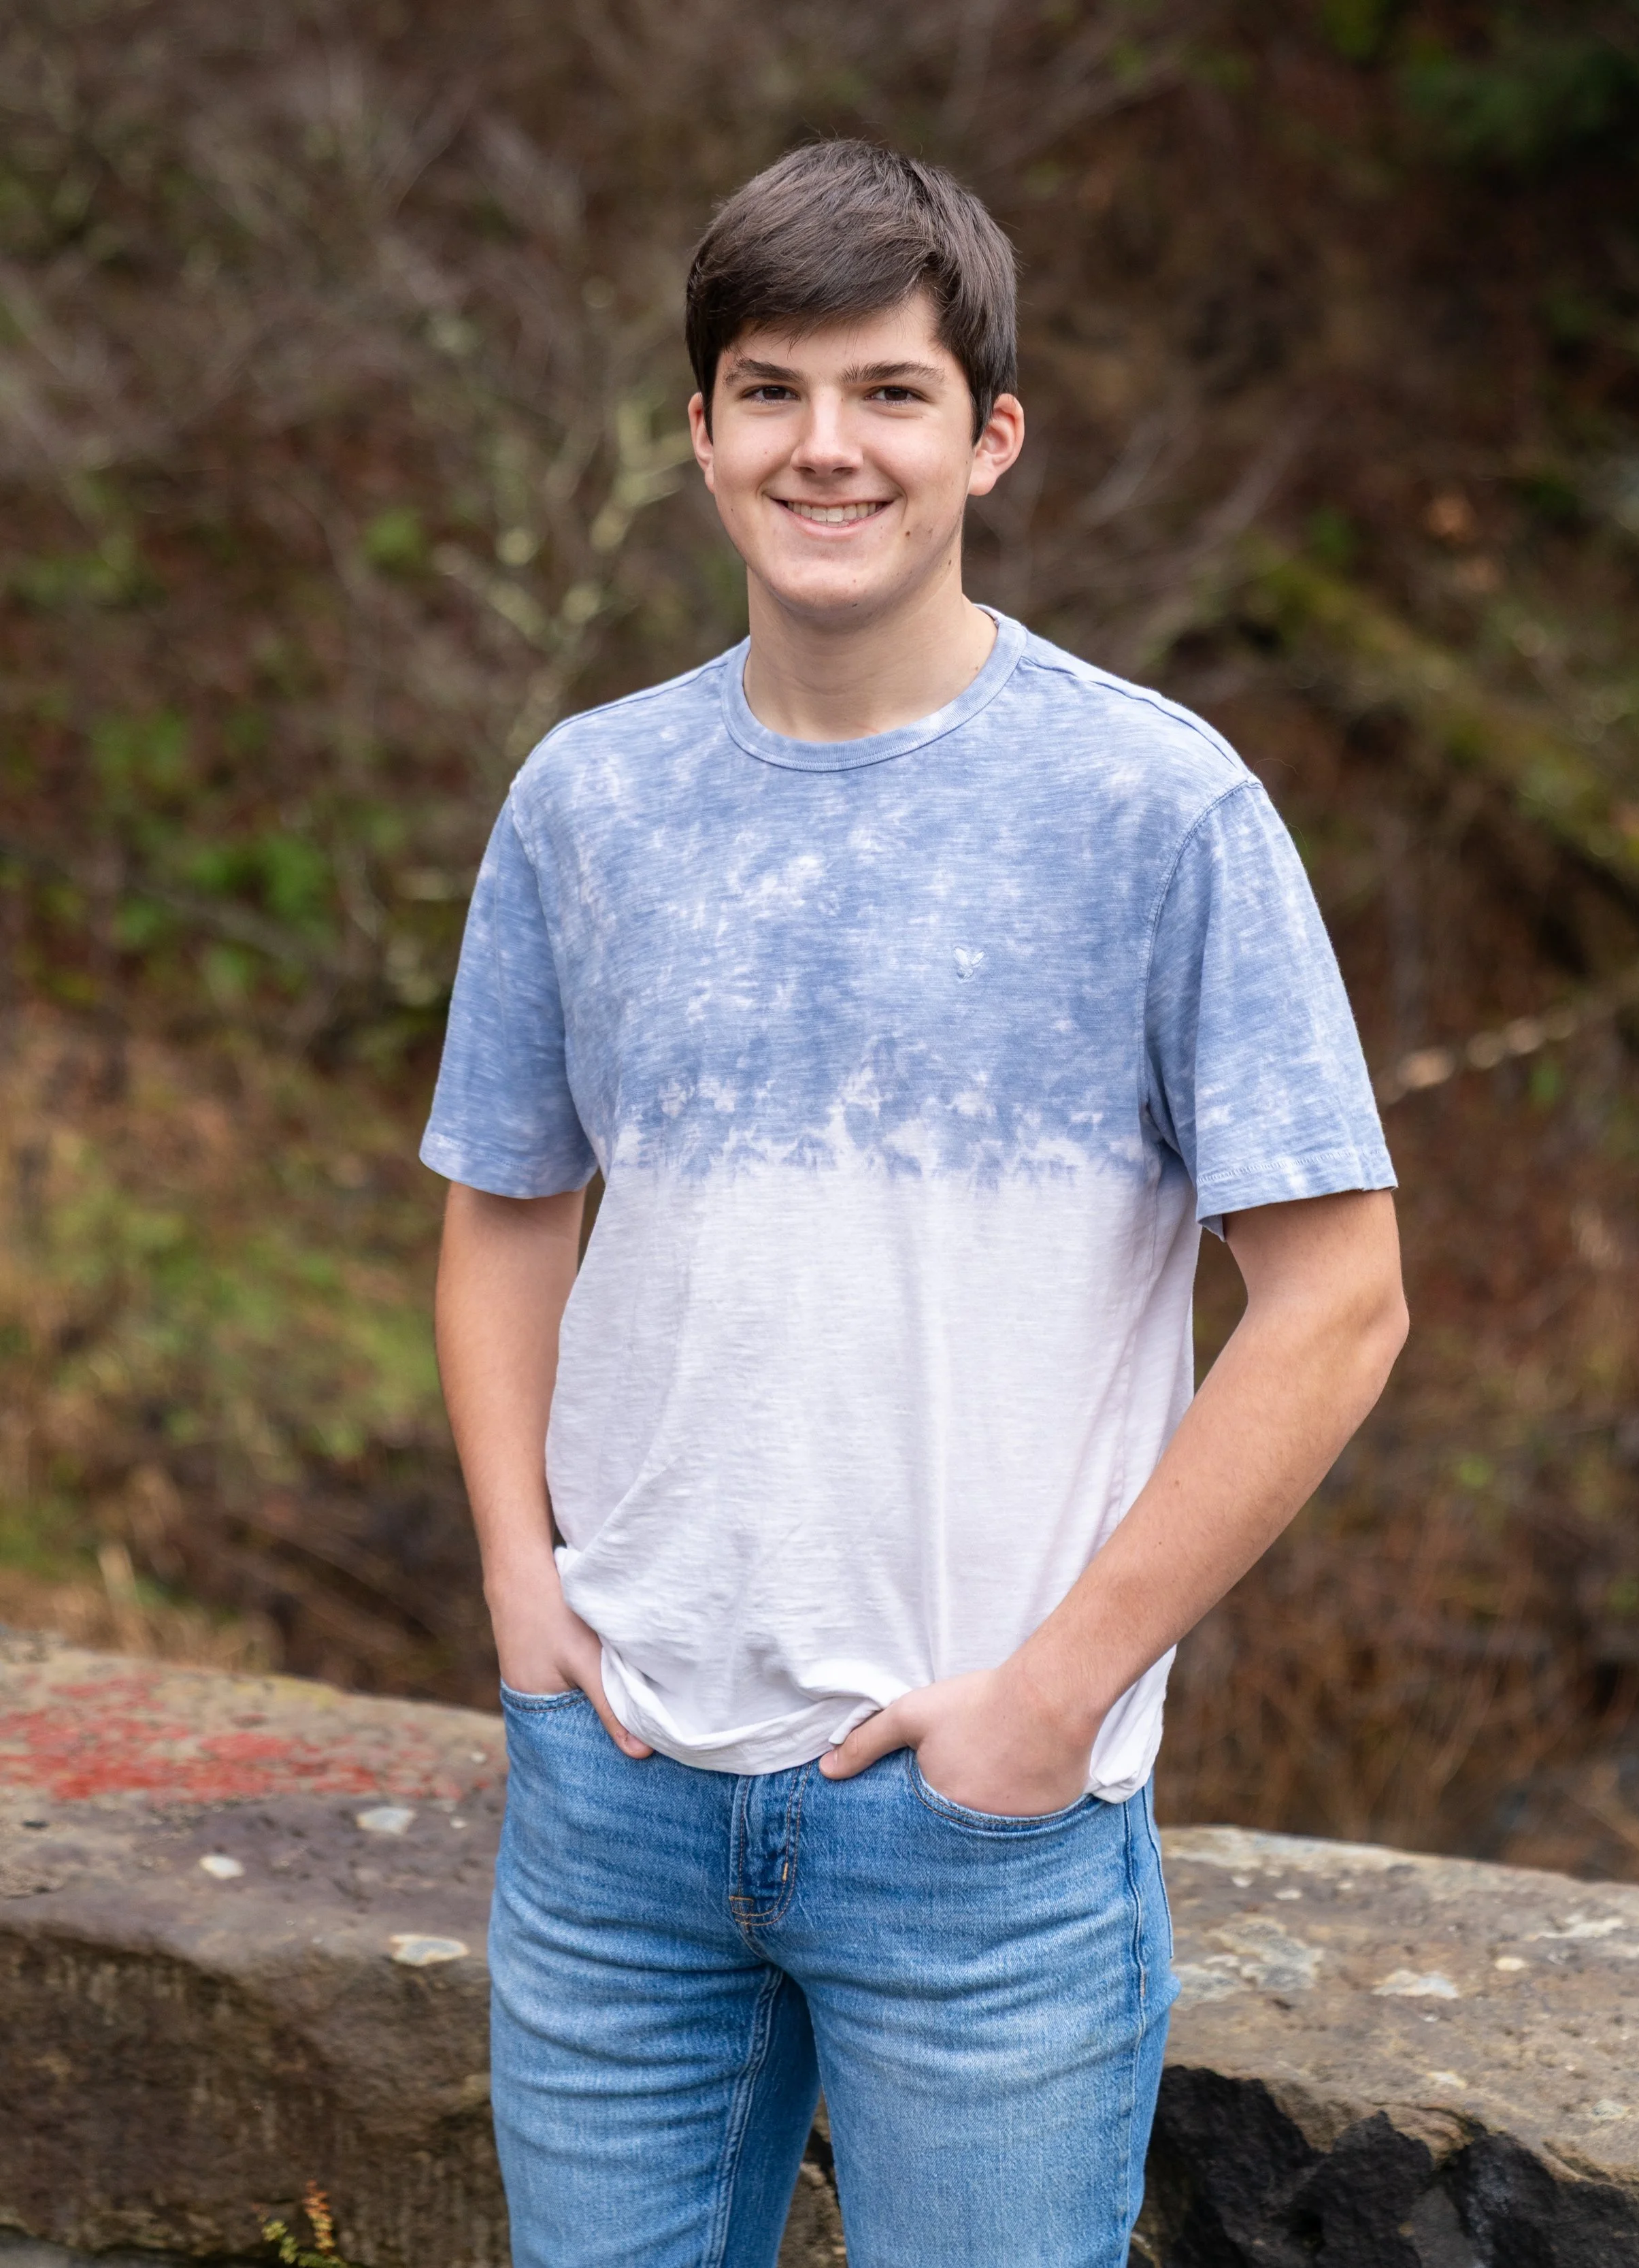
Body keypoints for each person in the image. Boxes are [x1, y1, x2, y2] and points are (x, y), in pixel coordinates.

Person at [423, 138, 1406, 2268]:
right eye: (769, 388)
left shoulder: (1159, 808)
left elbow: (1339, 1302)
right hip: (614, 1790)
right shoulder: (586, 799)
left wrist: (1056, 1690)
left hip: (982, 1832)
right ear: (696, 433)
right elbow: (507, 1207)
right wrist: (519, 1575)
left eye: (887, 390)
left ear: (991, 434)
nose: (825, 446)